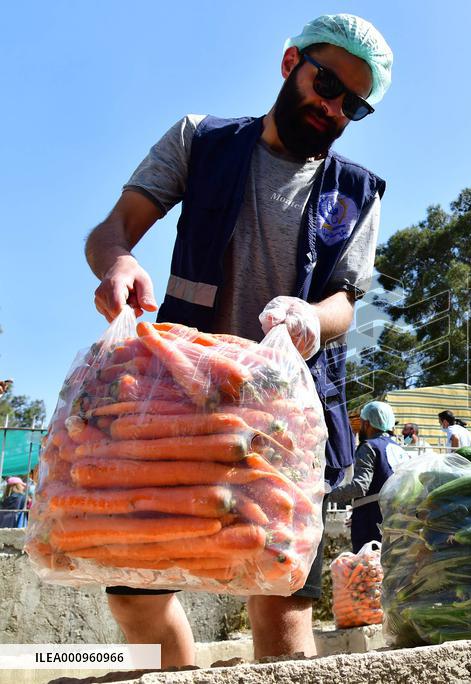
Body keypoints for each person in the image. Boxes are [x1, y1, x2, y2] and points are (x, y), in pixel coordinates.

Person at [83, 14, 392, 665]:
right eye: (326, 82)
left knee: (282, 612)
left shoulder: (358, 193)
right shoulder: (203, 141)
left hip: (284, 423)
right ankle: (178, 668)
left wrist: (314, 317)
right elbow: (113, 231)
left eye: (352, 104)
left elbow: (346, 302)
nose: (332, 106)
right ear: (289, 63)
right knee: (136, 594)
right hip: (177, 409)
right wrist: (118, 263)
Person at [327, 401, 405, 551]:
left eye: (362, 423)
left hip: (371, 523)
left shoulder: (369, 446)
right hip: (396, 521)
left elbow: (360, 487)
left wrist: (327, 495)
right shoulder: (399, 449)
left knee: (368, 570)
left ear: (367, 424)